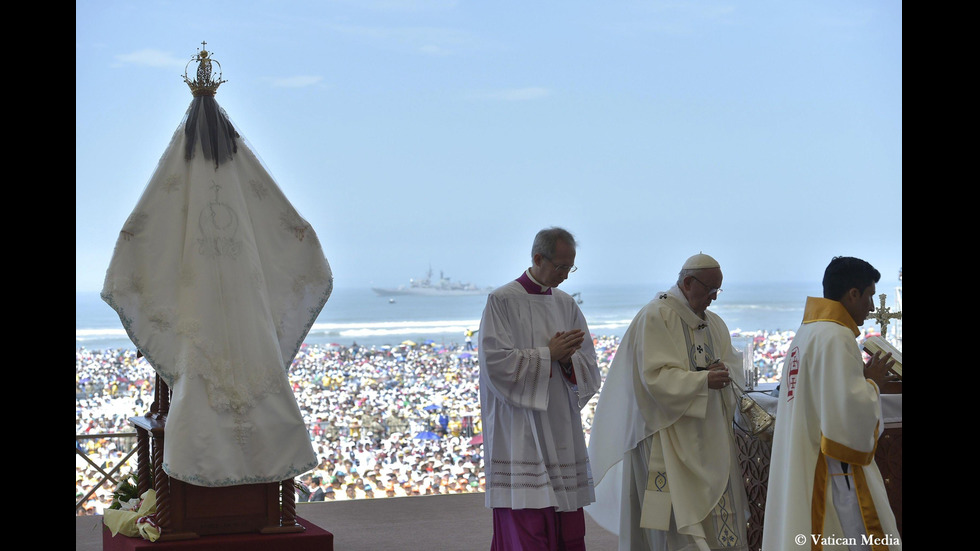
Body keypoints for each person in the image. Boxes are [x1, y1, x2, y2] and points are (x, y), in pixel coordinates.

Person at [586, 253, 749, 550]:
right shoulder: (656, 316)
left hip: (708, 436)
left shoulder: (713, 323)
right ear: (687, 282)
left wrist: (723, 372)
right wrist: (702, 380)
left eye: (718, 291)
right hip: (667, 436)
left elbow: (731, 364)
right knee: (671, 526)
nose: (714, 299)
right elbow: (653, 378)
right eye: (710, 291)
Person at [762, 257, 901, 550]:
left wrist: (859, 379)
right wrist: (873, 383)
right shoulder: (838, 336)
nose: (872, 307)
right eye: (870, 295)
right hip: (832, 473)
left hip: (803, 455)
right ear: (853, 293)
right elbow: (847, 422)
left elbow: (825, 396)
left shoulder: (808, 332)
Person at [478, 227, 602, 550]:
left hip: (560, 424)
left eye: (570, 267)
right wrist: (549, 355)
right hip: (521, 428)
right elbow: (496, 365)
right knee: (528, 528)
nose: (565, 275)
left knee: (568, 527)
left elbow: (589, 364)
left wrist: (567, 363)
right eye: (560, 267)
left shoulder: (566, 304)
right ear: (537, 258)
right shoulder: (502, 301)